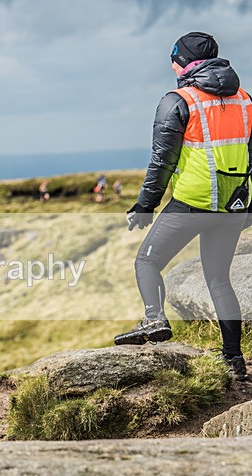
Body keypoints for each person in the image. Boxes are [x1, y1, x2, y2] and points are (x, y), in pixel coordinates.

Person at [115, 32, 251, 381]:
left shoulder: (178, 100)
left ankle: (154, 320)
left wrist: (145, 205)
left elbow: (161, 161)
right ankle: (233, 359)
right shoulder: (246, 100)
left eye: (173, 59)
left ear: (184, 63)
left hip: (191, 202)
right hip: (233, 204)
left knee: (147, 260)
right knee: (219, 279)